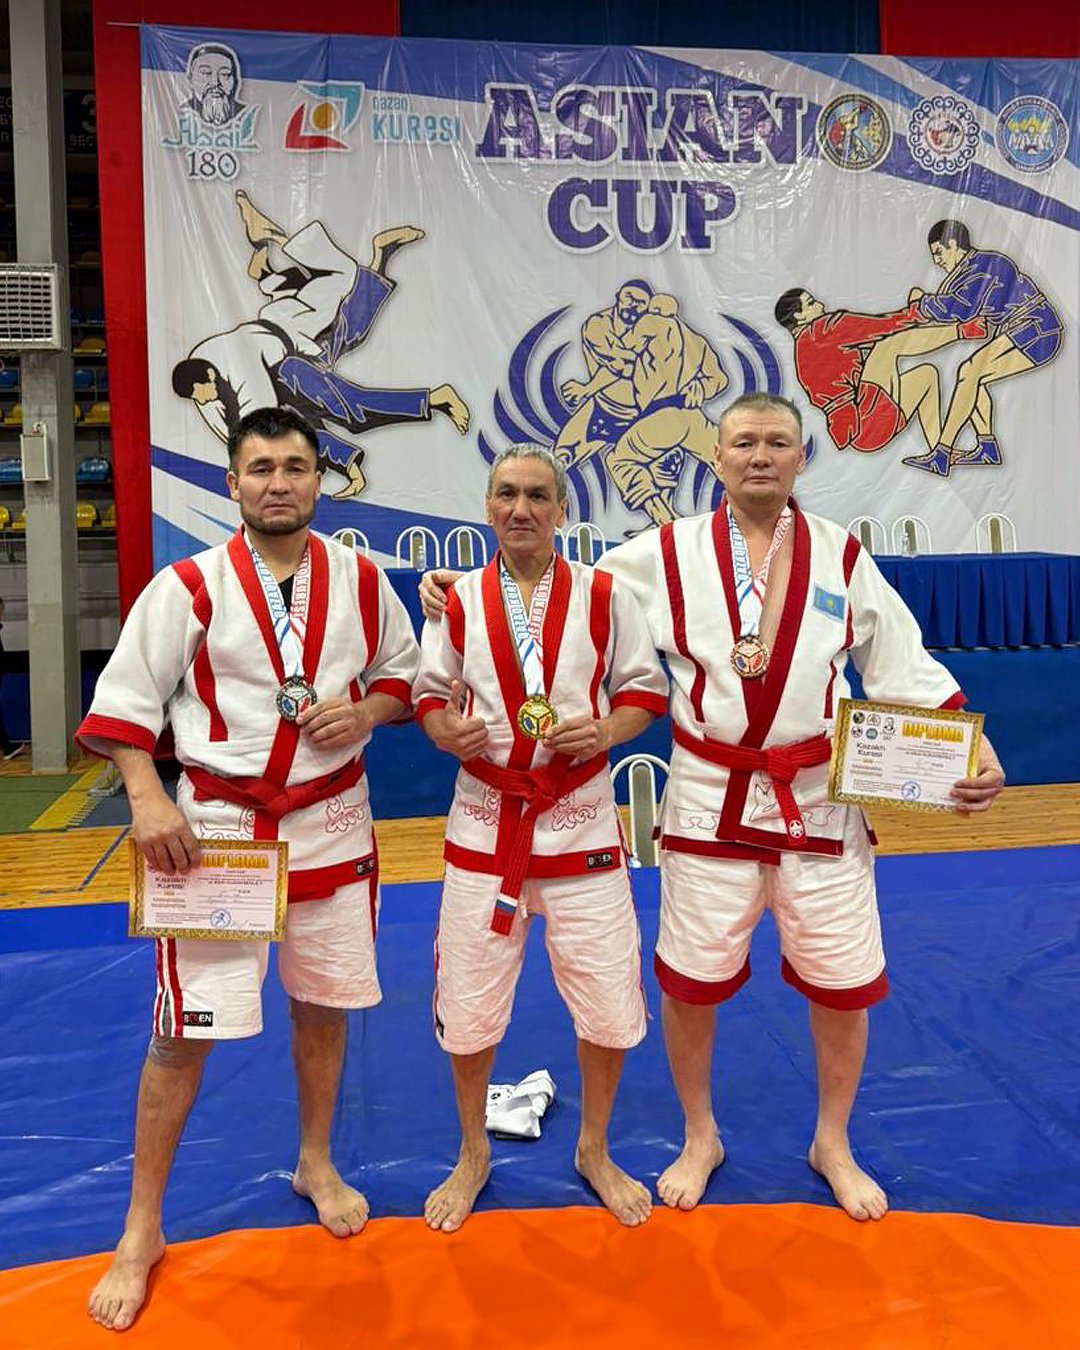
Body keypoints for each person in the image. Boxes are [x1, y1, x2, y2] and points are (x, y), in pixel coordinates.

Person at [420, 394, 1005, 1223]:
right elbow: (550, 587)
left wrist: (969, 744)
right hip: (707, 799)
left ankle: (832, 1142)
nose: (760, 455)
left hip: (815, 799)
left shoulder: (841, 555)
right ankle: (701, 1135)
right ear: (718, 458)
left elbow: (899, 659)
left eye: (777, 442)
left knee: (843, 983)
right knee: (692, 982)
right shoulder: (662, 553)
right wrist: (460, 588)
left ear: (801, 456)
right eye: (744, 443)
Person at [76, 406, 419, 1332]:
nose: (278, 483)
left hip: (334, 824)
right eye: (260, 468)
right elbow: (126, 705)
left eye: (295, 467)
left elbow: (402, 676)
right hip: (217, 831)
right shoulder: (187, 586)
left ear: (320, 480)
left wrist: (368, 713)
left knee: (324, 1006)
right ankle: (141, 1227)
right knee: (183, 1033)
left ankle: (316, 1160)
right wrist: (147, 799)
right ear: (232, 483)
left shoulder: (361, 578)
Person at [413, 444, 668, 1234]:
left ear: (561, 509)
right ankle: (471, 1154)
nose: (520, 509)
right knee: (468, 1005)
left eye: (535, 495)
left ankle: (594, 1148)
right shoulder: (457, 602)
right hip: (486, 827)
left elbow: (645, 690)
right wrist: (445, 729)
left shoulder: (606, 595)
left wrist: (607, 731)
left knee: (610, 1003)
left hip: (581, 824)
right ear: (487, 507)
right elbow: (428, 694)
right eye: (505, 494)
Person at [171, 192, 469, 499]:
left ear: (209, 376)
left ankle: (433, 399)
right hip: (290, 349)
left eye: (202, 393)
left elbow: (259, 414)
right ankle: (368, 256)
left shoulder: (234, 364)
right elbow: (232, 434)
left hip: (294, 349)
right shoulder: (199, 378)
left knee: (349, 389)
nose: (203, 399)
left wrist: (254, 460)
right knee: (347, 348)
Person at [905, 219, 1063, 476]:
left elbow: (960, 308)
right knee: (971, 376)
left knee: (969, 371)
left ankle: (942, 454)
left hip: (1035, 328)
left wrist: (923, 302)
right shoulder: (971, 269)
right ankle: (987, 448)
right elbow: (967, 312)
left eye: (939, 252)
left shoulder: (983, 266)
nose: (936, 260)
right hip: (1030, 329)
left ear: (953, 243)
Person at [774, 287, 983, 458]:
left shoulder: (801, 351)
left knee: (926, 376)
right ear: (799, 316)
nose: (821, 305)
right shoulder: (823, 329)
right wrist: (918, 311)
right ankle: (964, 331)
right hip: (866, 419)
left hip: (864, 434)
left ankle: (941, 452)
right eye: (811, 303)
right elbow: (882, 326)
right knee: (888, 344)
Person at [603, 294, 727, 529]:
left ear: (655, 308)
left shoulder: (651, 322)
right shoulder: (697, 341)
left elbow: (624, 347)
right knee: (728, 463)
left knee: (620, 459)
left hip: (661, 413)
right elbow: (719, 379)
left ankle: (664, 521)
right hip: (692, 416)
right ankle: (764, 514)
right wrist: (700, 387)